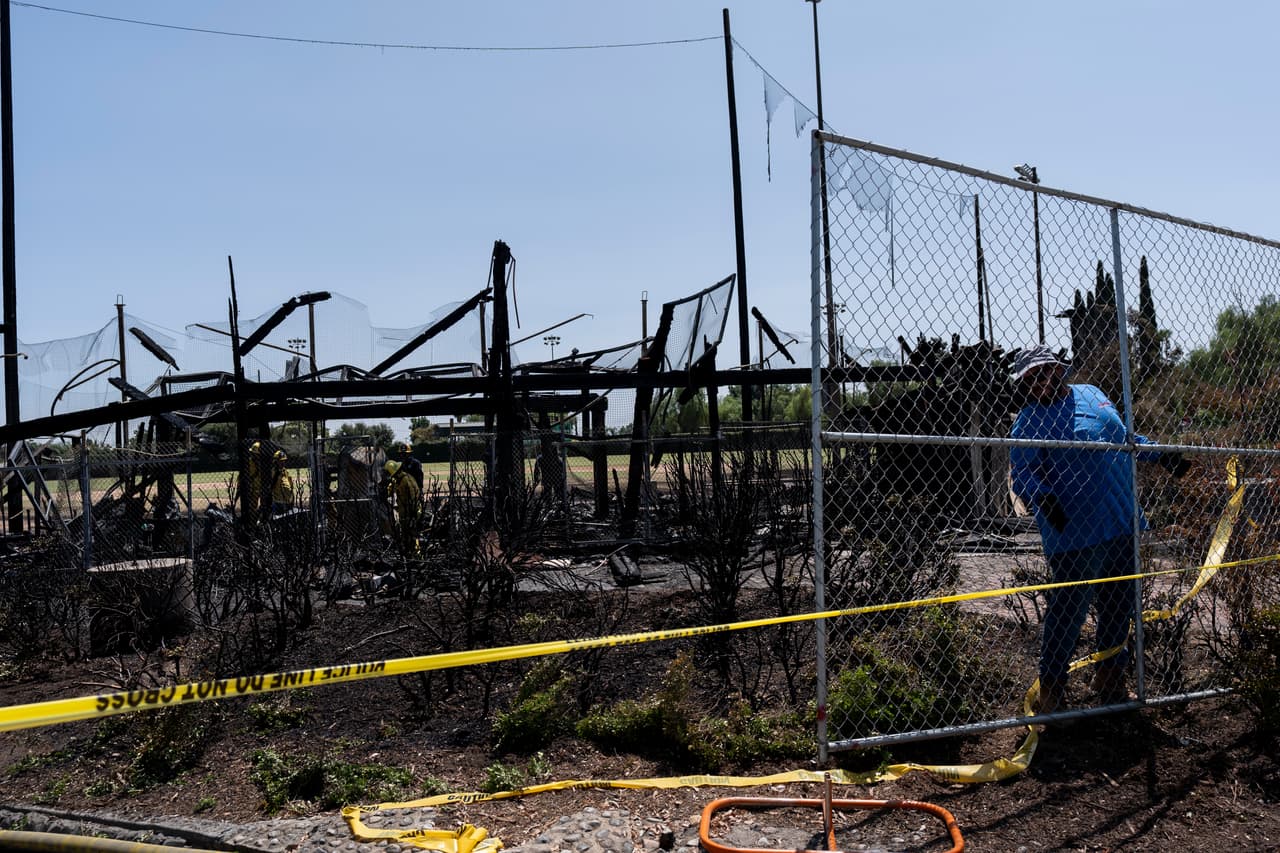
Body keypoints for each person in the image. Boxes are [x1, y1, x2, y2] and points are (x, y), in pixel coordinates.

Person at [1009, 344, 1190, 714]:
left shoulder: (1092, 394)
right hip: (1074, 536)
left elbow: (1124, 438)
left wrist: (1162, 454)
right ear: (1024, 385)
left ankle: (1110, 683)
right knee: (1068, 614)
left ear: (1059, 370)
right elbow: (1022, 474)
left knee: (1118, 607)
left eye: (1044, 372)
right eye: (1030, 378)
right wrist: (1043, 499)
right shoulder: (1027, 422)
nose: (1039, 382)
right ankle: (1052, 694)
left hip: (1122, 522)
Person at [384, 460, 422, 555]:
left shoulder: (406, 480)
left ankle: (417, 556)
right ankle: (408, 555)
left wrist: (413, 514)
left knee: (412, 535)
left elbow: (414, 497)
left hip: (412, 511)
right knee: (405, 536)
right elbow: (390, 488)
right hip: (404, 512)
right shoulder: (397, 479)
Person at [270, 449, 295, 514]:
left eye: (284, 461)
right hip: (278, 502)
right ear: (276, 461)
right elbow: (271, 486)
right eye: (281, 461)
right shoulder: (273, 472)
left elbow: (291, 486)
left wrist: (292, 499)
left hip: (288, 501)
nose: (283, 463)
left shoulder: (285, 472)